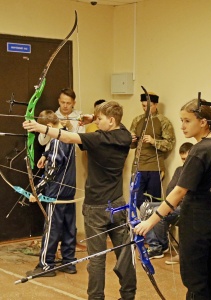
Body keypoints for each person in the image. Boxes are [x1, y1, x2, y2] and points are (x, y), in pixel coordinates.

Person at [23, 101, 136, 300]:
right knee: (124, 254)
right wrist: (94, 118)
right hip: (118, 205)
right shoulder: (125, 136)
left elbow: (67, 137)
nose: (96, 122)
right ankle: (128, 295)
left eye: (99, 119)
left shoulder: (98, 138)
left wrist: (40, 127)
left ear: (111, 120)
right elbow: (120, 126)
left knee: (96, 259)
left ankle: (96, 297)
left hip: (96, 208)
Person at [135, 99, 211, 299]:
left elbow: (179, 192)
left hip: (198, 226)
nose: (182, 126)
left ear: (203, 122)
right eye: (181, 120)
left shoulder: (199, 151)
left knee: (197, 284)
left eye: (187, 121)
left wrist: (150, 221)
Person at [26, 110, 77, 277]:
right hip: (69, 191)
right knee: (69, 228)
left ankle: (46, 265)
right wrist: (46, 155)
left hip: (56, 193)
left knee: (52, 229)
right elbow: (58, 157)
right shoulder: (69, 135)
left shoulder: (57, 139)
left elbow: (52, 171)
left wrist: (36, 190)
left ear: (48, 126)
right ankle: (69, 262)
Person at [140, 142, 193, 261]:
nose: (185, 162)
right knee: (145, 206)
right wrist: (172, 202)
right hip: (174, 203)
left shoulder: (195, 172)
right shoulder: (179, 170)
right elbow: (170, 189)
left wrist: (175, 201)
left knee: (158, 211)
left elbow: (187, 194)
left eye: (187, 159)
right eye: (182, 159)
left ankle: (159, 246)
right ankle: (155, 245)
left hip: (186, 207)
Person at [130, 92, 175, 208]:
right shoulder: (137, 120)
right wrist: (131, 139)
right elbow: (130, 145)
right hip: (138, 166)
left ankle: (153, 225)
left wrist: (153, 141)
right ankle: (141, 224)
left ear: (156, 105)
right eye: (144, 106)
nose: (146, 109)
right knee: (136, 200)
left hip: (155, 167)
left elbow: (169, 144)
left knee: (154, 202)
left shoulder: (163, 121)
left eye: (149, 106)